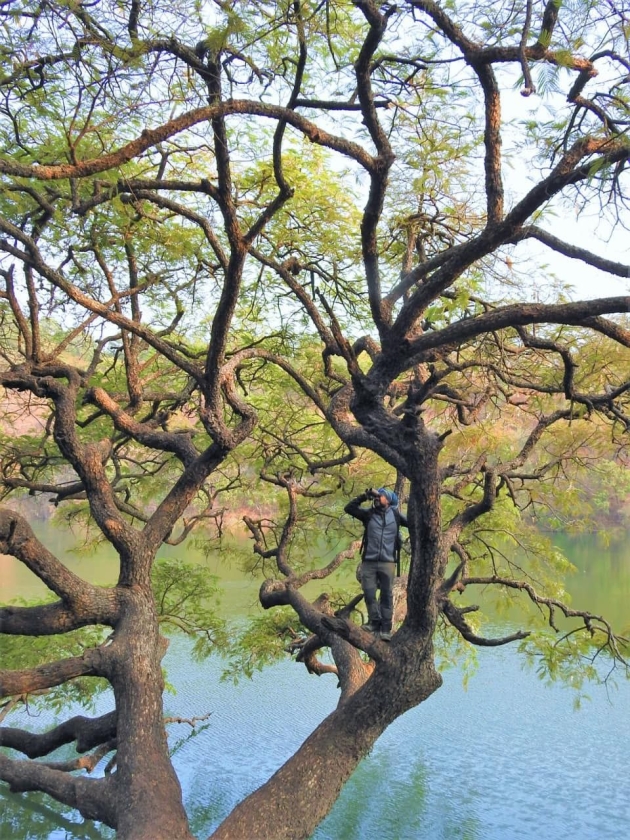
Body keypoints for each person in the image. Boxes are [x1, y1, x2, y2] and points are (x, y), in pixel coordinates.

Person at [344, 487, 408, 641]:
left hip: (388, 562)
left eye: (382, 496)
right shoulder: (368, 514)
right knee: (369, 593)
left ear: (390, 501)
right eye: (377, 496)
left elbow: (415, 524)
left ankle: (386, 629)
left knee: (386, 595)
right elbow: (349, 508)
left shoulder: (395, 514)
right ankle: (374, 622)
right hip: (369, 562)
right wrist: (364, 496)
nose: (378, 498)